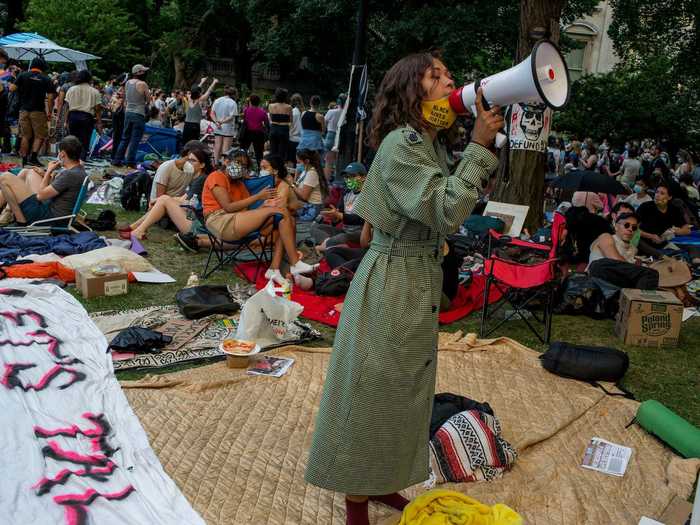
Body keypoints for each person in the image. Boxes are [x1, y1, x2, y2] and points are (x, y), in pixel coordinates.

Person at [304, 50, 502, 525]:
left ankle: (384, 480)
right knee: (372, 389)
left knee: (405, 390)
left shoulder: (427, 145)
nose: (450, 81)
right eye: (437, 75)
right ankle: (356, 498)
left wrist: (417, 243)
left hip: (412, 276)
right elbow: (445, 210)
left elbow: (371, 225)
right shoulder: (401, 144)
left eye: (449, 72)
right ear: (414, 91)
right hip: (394, 282)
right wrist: (479, 147)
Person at [200, 147, 315, 285]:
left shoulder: (240, 185)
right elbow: (228, 207)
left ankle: (274, 269)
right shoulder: (217, 176)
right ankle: (295, 262)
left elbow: (248, 212)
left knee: (285, 221)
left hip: (238, 222)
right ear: (226, 161)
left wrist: (265, 205)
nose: (240, 167)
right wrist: (259, 197)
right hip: (220, 221)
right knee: (281, 211)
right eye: (237, 162)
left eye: (243, 166)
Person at [126, 145, 211, 242]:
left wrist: (158, 200)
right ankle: (136, 228)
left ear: (202, 165)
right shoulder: (195, 177)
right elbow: (183, 198)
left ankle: (137, 228)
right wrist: (160, 200)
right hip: (192, 219)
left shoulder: (202, 179)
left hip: (198, 227)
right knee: (164, 199)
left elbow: (184, 201)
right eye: (188, 160)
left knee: (164, 199)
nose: (189, 163)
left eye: (193, 160)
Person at [0, 136, 86, 224]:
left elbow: (40, 196)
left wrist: (48, 171)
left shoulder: (69, 174)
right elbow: (59, 189)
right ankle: (7, 212)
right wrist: (46, 174)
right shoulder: (79, 170)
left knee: (5, 177)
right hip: (54, 211)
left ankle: (21, 220)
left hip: (47, 217)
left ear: (62, 154)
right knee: (27, 172)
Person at [588, 212, 659, 289]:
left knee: (651, 275)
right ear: (616, 226)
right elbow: (614, 258)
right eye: (626, 225)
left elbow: (627, 270)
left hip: (617, 281)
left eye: (634, 228)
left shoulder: (633, 249)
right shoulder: (606, 237)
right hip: (599, 272)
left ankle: (635, 298)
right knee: (650, 274)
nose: (630, 229)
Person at [310, 161, 366, 249]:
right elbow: (339, 216)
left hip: (360, 233)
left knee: (342, 237)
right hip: (345, 230)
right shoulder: (346, 193)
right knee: (315, 228)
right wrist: (334, 217)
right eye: (346, 177)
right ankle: (331, 246)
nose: (348, 179)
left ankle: (324, 247)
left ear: (363, 177)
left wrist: (339, 215)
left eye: (353, 176)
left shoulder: (368, 195)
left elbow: (362, 219)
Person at [10, 57, 55, 166]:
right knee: (39, 136)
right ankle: (33, 157)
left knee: (25, 136)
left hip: (24, 110)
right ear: (42, 67)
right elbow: (50, 97)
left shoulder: (23, 75)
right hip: (38, 111)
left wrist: (16, 78)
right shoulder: (46, 79)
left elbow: (12, 89)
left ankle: (24, 159)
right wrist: (49, 112)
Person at [113, 64, 151, 167]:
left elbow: (125, 98)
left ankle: (117, 160)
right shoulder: (143, 84)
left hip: (128, 113)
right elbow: (148, 99)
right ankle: (130, 162)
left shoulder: (127, 83)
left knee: (125, 138)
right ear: (138, 72)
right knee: (135, 139)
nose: (145, 73)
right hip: (138, 114)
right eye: (143, 71)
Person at [637, 183, 692, 249]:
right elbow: (634, 228)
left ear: (669, 197)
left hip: (666, 243)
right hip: (645, 243)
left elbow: (687, 229)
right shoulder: (645, 207)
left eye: (662, 193)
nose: (657, 195)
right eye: (657, 192)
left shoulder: (674, 209)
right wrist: (651, 236)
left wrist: (674, 231)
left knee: (693, 248)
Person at [65, 69, 102, 159]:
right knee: (84, 141)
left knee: (72, 140)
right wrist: (99, 122)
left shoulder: (71, 89)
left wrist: (66, 121)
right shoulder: (94, 91)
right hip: (87, 118)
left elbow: (67, 106)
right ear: (89, 79)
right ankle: (81, 160)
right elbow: (97, 109)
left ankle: (71, 159)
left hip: (73, 116)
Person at [289, 148, 328, 222]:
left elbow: (304, 196)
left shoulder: (312, 173)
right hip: (307, 205)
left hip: (312, 209)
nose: (297, 164)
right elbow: (297, 186)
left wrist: (292, 184)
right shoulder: (305, 171)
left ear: (306, 161)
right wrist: (295, 177)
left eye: (299, 162)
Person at [182, 77, 218, 144]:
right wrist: (214, 82)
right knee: (194, 143)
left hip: (187, 125)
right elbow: (209, 91)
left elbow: (194, 90)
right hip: (195, 126)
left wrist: (201, 82)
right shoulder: (200, 100)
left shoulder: (189, 98)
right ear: (199, 93)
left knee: (185, 143)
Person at [211, 85, 239, 164]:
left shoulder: (217, 100)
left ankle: (215, 163)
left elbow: (212, 113)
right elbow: (231, 117)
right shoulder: (233, 103)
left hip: (217, 126)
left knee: (217, 146)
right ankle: (224, 165)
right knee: (226, 148)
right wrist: (222, 122)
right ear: (233, 94)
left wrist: (217, 122)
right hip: (228, 128)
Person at [240, 94, 267, 166]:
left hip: (248, 132)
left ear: (250, 102)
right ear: (259, 102)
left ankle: (244, 165)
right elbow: (267, 124)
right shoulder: (263, 112)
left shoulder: (246, 110)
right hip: (258, 133)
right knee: (259, 153)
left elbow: (245, 121)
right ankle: (260, 168)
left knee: (244, 150)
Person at [323, 94, 345, 178]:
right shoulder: (345, 113)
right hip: (340, 137)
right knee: (337, 161)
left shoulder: (331, 111)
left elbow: (324, 124)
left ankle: (326, 182)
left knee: (328, 162)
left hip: (331, 135)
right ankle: (336, 180)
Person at [267, 88, 292, 160]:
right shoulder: (289, 107)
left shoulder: (271, 106)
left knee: (273, 151)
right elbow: (291, 120)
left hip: (274, 128)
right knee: (282, 152)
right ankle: (280, 168)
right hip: (284, 129)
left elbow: (271, 118)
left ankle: (273, 167)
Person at [288, 93, 304, 165]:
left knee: (291, 161)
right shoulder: (303, 112)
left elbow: (290, 126)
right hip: (301, 140)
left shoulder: (292, 112)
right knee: (299, 162)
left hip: (292, 139)